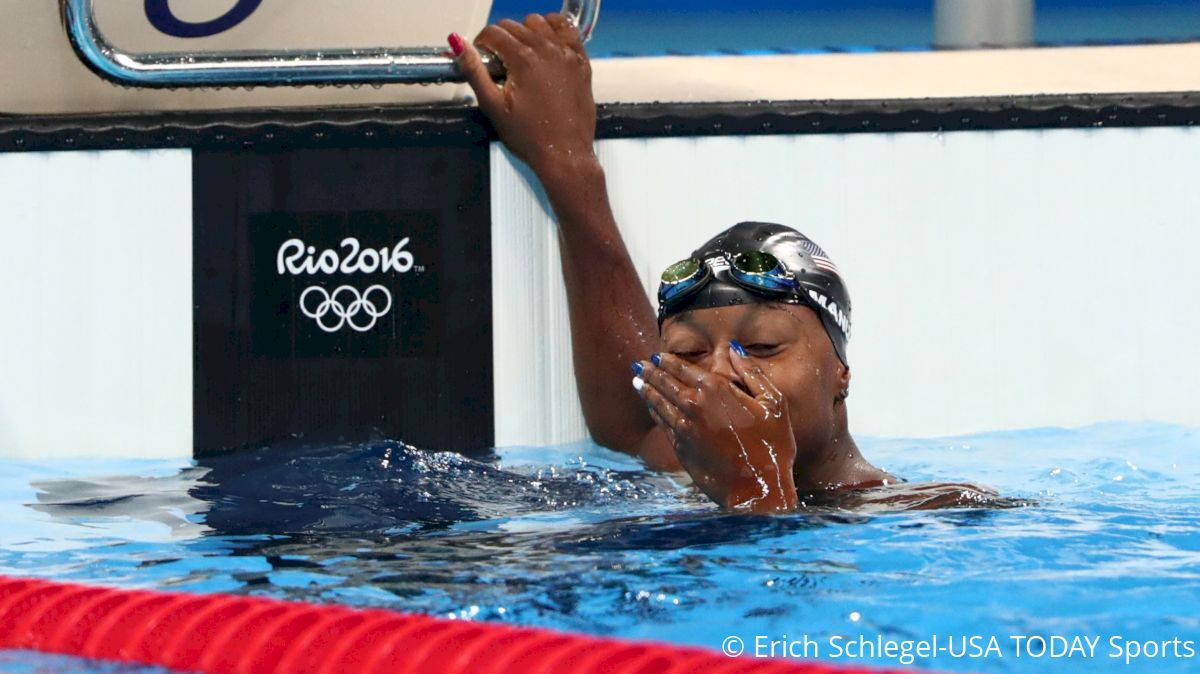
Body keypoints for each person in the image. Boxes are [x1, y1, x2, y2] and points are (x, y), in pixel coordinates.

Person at [447, 18, 1000, 513]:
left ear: (841, 374)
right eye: (687, 354)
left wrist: (754, 487)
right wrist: (567, 163)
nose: (717, 378)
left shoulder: (944, 512)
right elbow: (634, 418)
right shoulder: (686, 454)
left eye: (761, 348)